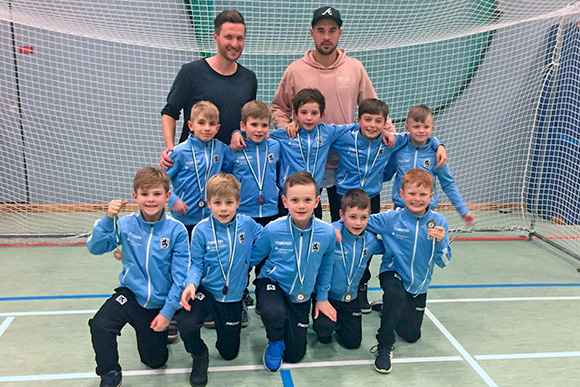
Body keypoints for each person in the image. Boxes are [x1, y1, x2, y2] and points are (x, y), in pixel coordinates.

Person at [331, 98, 445, 312]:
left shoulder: (392, 141)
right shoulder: (345, 137)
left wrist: (439, 144)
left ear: (385, 124)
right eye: (367, 120)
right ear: (358, 120)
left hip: (371, 196)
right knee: (340, 240)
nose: (372, 125)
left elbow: (418, 135)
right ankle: (332, 289)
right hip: (343, 194)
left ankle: (360, 286)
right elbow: (322, 134)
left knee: (365, 238)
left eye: (378, 121)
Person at [271, 6, 378, 223]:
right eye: (321, 30)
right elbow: (279, 108)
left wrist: (389, 133)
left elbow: (371, 108)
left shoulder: (355, 68)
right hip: (306, 164)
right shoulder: (295, 69)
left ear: (340, 32)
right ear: (312, 33)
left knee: (349, 223)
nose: (326, 36)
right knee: (308, 224)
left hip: (347, 163)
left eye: (332, 30)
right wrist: (286, 127)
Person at [87, 166, 190, 387]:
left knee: (155, 361)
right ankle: (110, 373)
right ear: (135, 196)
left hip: (158, 304)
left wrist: (167, 312)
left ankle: (163, 329)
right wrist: (108, 218)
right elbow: (95, 248)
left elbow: (180, 277)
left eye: (156, 194)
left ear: (167, 197)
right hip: (130, 296)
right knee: (100, 324)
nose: (150, 200)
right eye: (144, 194)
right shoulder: (124, 224)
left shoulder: (177, 230)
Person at [176, 173, 263, 387]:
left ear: (238, 203)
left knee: (229, 353)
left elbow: (265, 240)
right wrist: (191, 284)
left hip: (233, 296)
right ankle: (199, 354)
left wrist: (249, 260)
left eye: (229, 203)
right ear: (208, 203)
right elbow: (196, 264)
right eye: (217, 203)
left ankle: (227, 327)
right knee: (185, 323)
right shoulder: (201, 230)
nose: (223, 208)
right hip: (206, 291)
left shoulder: (248, 224)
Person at [365, 169, 451, 374]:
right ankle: (384, 347)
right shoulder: (390, 219)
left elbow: (445, 262)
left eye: (422, 195)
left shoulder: (439, 223)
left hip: (419, 283)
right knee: (395, 294)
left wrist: (440, 244)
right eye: (411, 194)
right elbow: (358, 223)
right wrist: (379, 246)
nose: (417, 199)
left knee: (412, 335)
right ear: (401, 194)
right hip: (392, 272)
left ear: (432, 197)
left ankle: (389, 307)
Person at [252, 171, 336, 371]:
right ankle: (274, 341)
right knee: (273, 312)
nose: (301, 206)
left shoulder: (327, 233)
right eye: (295, 200)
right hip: (273, 283)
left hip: (302, 292)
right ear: (285, 201)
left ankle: (289, 324)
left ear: (317, 202)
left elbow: (326, 267)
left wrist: (322, 298)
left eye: (307, 200)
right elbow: (253, 258)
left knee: (294, 356)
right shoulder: (272, 230)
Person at [160, 9, 257, 169]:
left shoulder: (249, 79)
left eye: (239, 38)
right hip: (194, 167)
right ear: (215, 38)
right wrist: (170, 147)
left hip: (230, 167)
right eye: (228, 37)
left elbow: (247, 122)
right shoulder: (190, 72)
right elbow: (170, 112)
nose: (234, 44)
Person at [312, 188, 384, 348]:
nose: (358, 223)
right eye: (352, 217)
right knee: (324, 332)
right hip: (327, 297)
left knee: (353, 344)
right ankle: (326, 321)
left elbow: (390, 247)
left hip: (351, 298)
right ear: (342, 215)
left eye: (363, 218)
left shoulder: (370, 241)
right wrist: (336, 225)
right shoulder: (332, 234)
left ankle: (340, 322)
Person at [385, 105, 476, 226]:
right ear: (407, 127)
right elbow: (385, 175)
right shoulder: (398, 151)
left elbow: (448, 184)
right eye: (416, 126)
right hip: (401, 210)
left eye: (426, 127)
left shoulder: (437, 155)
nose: (421, 131)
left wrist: (463, 211)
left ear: (432, 128)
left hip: (427, 212)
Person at [165, 101, 228, 237]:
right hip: (184, 216)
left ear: (217, 128)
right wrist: (173, 200)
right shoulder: (179, 152)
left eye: (211, 124)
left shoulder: (221, 149)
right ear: (190, 125)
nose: (207, 128)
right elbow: (159, 181)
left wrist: (237, 133)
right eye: (201, 123)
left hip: (212, 217)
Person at [223, 100, 280, 226]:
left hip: (270, 211)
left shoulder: (275, 146)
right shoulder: (233, 149)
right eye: (254, 125)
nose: (259, 130)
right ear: (243, 126)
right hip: (242, 212)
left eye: (264, 125)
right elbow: (225, 178)